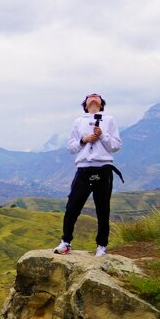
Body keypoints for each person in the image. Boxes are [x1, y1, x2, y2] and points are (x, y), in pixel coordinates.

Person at [54, 93, 123, 257]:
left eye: (97, 97)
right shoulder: (78, 122)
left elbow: (116, 145)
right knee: (72, 207)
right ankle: (66, 242)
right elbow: (71, 148)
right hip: (84, 168)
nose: (93, 98)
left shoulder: (110, 120)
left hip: (104, 168)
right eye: (90, 97)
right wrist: (83, 139)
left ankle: (101, 246)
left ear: (101, 104)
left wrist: (102, 135)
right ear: (85, 104)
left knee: (103, 209)